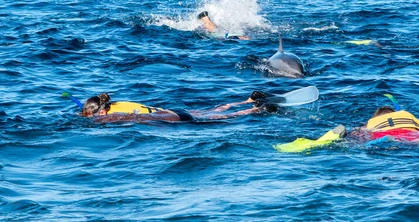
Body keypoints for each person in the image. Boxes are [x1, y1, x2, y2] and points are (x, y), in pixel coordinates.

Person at [80, 91, 278, 123]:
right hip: (171, 110)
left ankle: (254, 110)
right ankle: (248, 101)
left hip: (172, 118)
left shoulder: (111, 116)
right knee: (214, 110)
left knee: (215, 118)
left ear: (101, 112)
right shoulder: (114, 103)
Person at [349, 106, 419, 143]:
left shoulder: (373, 121)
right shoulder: (405, 115)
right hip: (410, 132)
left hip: (383, 134)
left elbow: (359, 131)